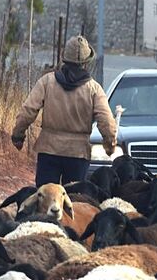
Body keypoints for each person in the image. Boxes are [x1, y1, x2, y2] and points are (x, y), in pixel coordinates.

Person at [11, 36, 118, 186]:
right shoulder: (94, 89)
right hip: (78, 153)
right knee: (74, 200)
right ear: (86, 63)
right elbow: (106, 121)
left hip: (49, 150)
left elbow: (28, 110)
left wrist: (18, 135)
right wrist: (110, 146)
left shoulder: (47, 82)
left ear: (64, 59)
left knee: (45, 201)